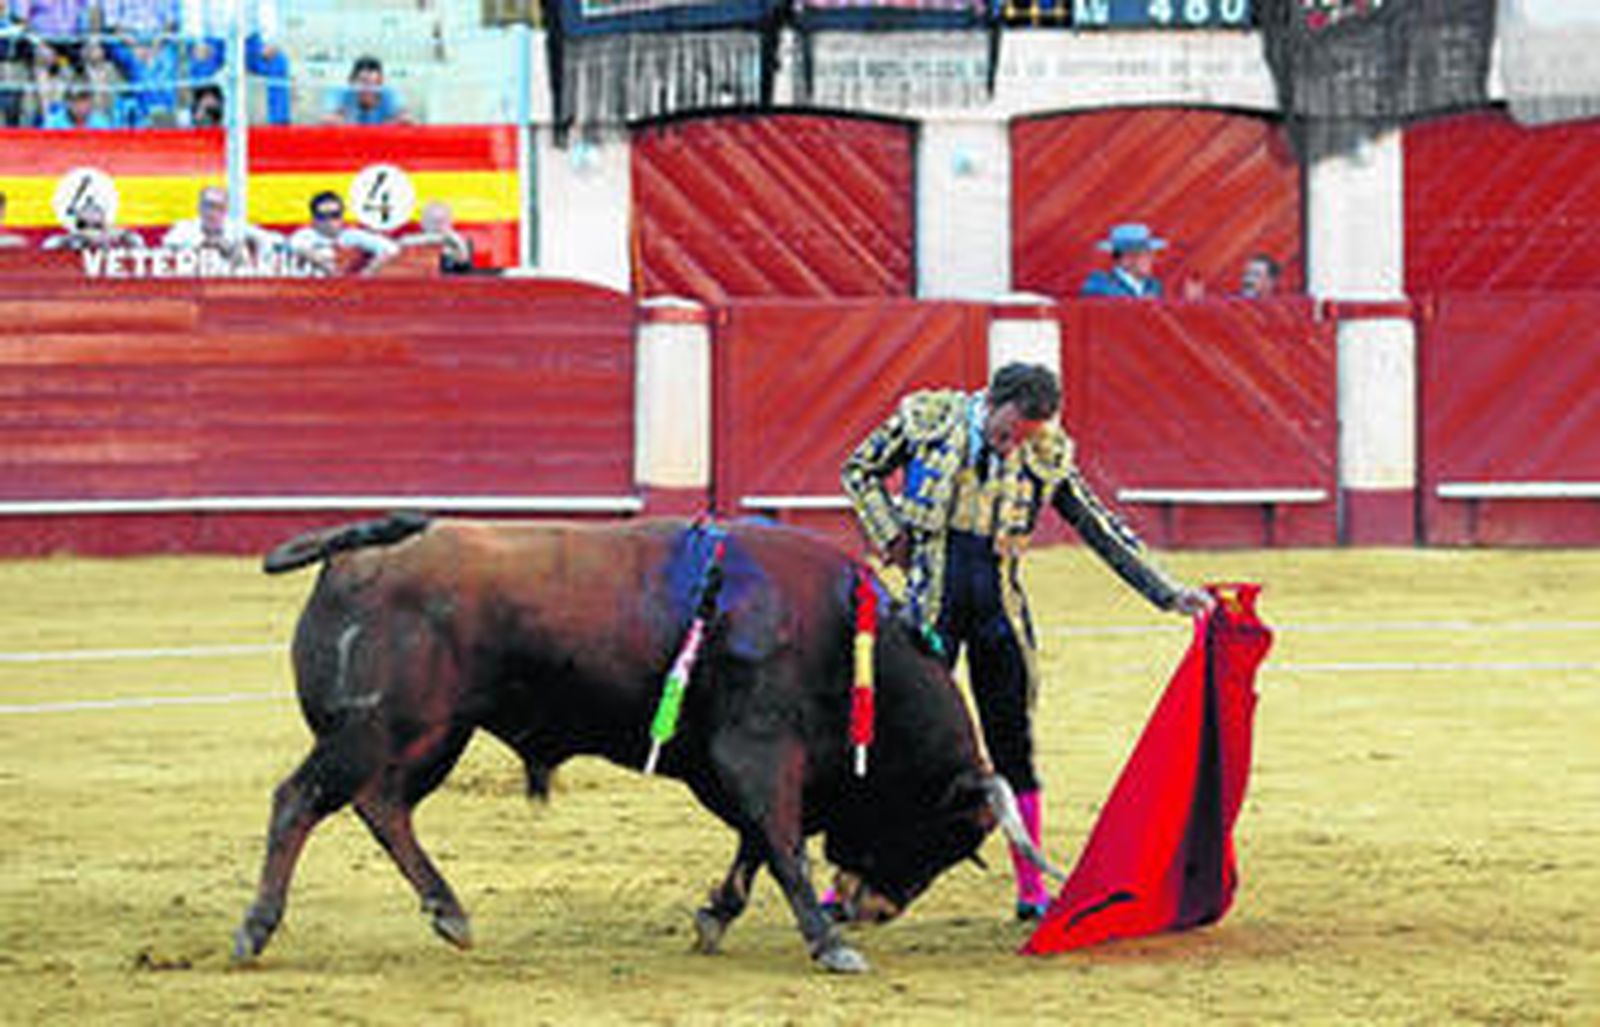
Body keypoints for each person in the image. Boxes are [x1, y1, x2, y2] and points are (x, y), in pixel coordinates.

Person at [840, 362, 1212, 921]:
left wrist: (1166, 592)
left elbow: (1097, 524)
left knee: (1013, 744)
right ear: (989, 400)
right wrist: (888, 529)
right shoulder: (928, 418)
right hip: (926, 604)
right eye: (1008, 431)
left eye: (1027, 437)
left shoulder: (1046, 451)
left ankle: (1031, 887)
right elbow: (860, 469)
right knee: (894, 744)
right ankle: (850, 875)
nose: (1014, 445)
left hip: (999, 611)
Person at [287, 189, 398, 275]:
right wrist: (328, 266)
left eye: (334, 215)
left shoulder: (352, 236)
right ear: (314, 219)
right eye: (323, 216)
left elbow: (390, 248)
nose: (329, 221)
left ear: (341, 216)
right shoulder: (306, 235)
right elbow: (296, 245)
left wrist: (366, 272)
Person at [162, 185, 282, 261]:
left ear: (226, 210)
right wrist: (200, 246)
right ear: (199, 207)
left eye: (219, 207)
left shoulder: (238, 229)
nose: (212, 213)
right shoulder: (184, 230)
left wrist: (237, 249)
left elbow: (277, 241)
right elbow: (167, 244)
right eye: (208, 206)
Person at [1079, 222, 1166, 299]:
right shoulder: (1100, 284)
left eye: (1149, 254)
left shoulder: (1154, 286)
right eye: (1142, 255)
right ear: (1125, 259)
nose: (1149, 260)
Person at [322, 54, 410, 126]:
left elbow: (405, 119)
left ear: (381, 83)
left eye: (372, 84)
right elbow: (328, 120)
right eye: (363, 82)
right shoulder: (341, 93)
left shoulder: (390, 94)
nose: (367, 89)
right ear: (351, 82)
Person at [41, 196, 144, 250]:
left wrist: (121, 236)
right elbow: (48, 246)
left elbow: (139, 244)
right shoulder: (68, 239)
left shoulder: (120, 236)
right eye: (87, 210)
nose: (92, 214)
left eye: (96, 210)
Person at [398, 199, 473, 273]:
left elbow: (464, 266)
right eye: (432, 221)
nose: (437, 226)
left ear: (449, 221)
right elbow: (401, 244)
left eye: (441, 220)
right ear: (423, 222)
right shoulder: (411, 240)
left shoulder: (457, 242)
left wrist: (456, 245)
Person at [42, 82, 113, 128]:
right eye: (77, 100)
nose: (82, 105)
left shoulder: (100, 122)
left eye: (85, 100)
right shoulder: (53, 123)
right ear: (68, 102)